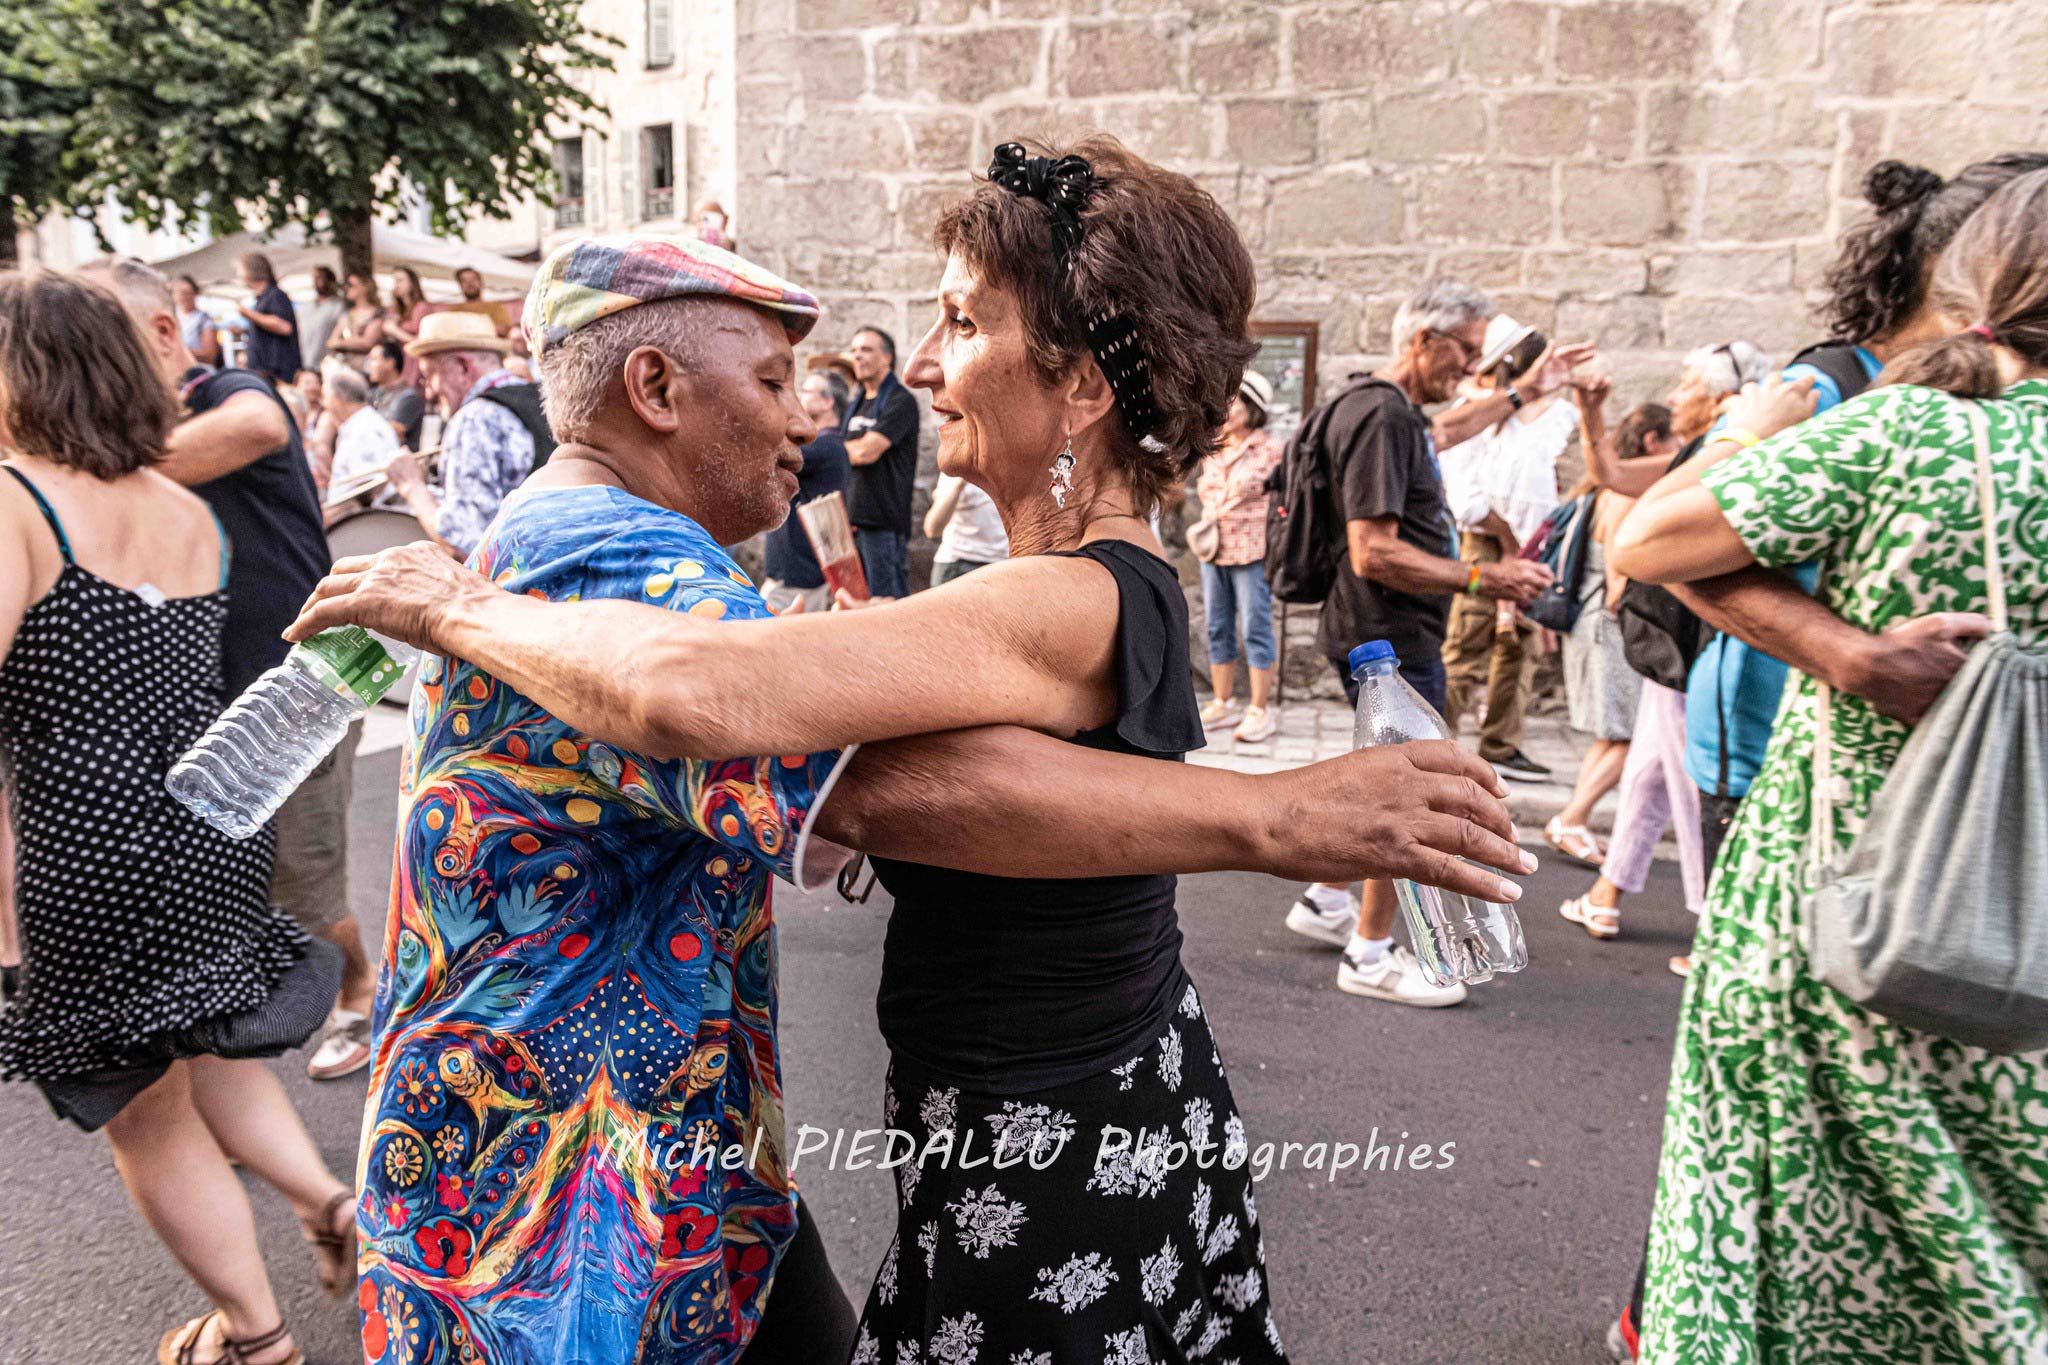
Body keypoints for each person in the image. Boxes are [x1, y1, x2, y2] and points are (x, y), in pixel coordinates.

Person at [287, 149, 1532, 1365]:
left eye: (960, 324)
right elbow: (862, 780)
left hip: (1037, 1144)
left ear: (1081, 387)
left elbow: (718, 703)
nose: (923, 367)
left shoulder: (1061, 595)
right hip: (1005, 1116)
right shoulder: (1072, 580)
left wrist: (446, 606)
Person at [1597, 152, 2045, 1365]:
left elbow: (1646, 538)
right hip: (2030, 932)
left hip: (1844, 913)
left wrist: (1841, 649)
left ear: (1973, 293)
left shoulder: (1912, 434)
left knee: (1782, 1234)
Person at [0, 268, 354, 1365]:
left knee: (146, 1115)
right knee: (214, 1061)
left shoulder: (18, 500)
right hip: (207, 835)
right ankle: (338, 1212)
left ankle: (253, 1336)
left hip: (81, 847)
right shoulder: (181, 511)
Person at [79, 257, 380, 1085]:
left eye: (102, 338)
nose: (87, 360)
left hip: (298, 686)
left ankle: (361, 987)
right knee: (215, 890)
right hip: (201, 702)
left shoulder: (225, 390)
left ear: (164, 333)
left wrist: (86, 474)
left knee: (302, 894)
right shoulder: (129, 440)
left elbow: (260, 427)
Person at [1285, 278, 1554, 1008]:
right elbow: (1375, 551)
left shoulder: (1385, 409)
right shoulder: (1382, 417)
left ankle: (1325, 899)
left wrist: (1522, 395)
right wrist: (1483, 577)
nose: (1469, 369)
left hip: (1375, 632)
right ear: (1423, 340)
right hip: (1389, 641)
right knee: (1410, 797)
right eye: (1463, 353)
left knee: (1378, 775)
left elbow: (1445, 432)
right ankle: (1368, 955)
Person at [1544, 341, 1767, 941]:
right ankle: (1604, 896)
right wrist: (1591, 410)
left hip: (1696, 648)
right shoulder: (1702, 451)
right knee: (1646, 774)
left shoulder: (1734, 452)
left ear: (1724, 397)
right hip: (1668, 645)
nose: (1673, 396)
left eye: (1687, 384)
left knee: (1692, 787)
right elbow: (1609, 476)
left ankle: (1713, 929)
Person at [1437, 316, 1581, 783]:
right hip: (1487, 540)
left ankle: (1500, 742)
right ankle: (1435, 743)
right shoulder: (1476, 416)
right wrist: (1507, 542)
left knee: (1518, 646)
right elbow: (1466, 500)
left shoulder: (1546, 418)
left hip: (1529, 542)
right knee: (1468, 642)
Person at [1543, 403, 1672, 875]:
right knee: (1630, 733)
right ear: (1654, 442)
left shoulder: (1606, 490)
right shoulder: (1627, 495)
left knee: (1613, 732)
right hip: (1610, 624)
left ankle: (1573, 818)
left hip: (1595, 621)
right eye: (1673, 441)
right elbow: (1620, 572)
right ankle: (1571, 818)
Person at [385, 311, 536, 556]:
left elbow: (466, 545)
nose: (431, 391)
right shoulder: (542, 399)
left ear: (463, 367)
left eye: (430, 375)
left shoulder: (474, 419)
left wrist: (411, 485)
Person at [1195, 369, 1284, 743]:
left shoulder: (1270, 448)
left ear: (1253, 408)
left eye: (1236, 402)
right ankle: (1222, 701)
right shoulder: (1213, 446)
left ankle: (1259, 710)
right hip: (1214, 550)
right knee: (1217, 625)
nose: (1227, 409)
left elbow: (1271, 494)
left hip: (1252, 549)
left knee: (1256, 627)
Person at [762, 367, 853, 613]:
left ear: (827, 401)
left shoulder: (828, 448)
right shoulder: (827, 447)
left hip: (799, 577)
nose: (799, 397)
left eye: (805, 390)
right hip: (792, 575)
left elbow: (770, 455)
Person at [843, 324, 921, 598]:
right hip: (852, 524)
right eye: (854, 351)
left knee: (887, 606)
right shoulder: (857, 403)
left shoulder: (900, 401)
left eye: (866, 349)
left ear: (887, 357)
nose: (857, 356)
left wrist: (840, 451)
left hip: (882, 526)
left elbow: (866, 452)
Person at [320, 366, 401, 523]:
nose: (323, 403)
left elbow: (370, 487)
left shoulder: (365, 430)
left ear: (337, 398)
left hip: (365, 526)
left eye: (325, 396)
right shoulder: (359, 425)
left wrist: (327, 516)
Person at [924, 469, 1010, 584]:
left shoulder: (1014, 467)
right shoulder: (957, 468)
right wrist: (959, 484)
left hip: (1002, 565)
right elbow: (932, 529)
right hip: (959, 565)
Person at [234, 253, 301, 386]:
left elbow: (284, 327)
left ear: (251, 271)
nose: (237, 275)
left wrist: (249, 314)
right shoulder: (262, 299)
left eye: (239, 270)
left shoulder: (276, 295)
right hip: (265, 373)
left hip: (277, 375)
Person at [366, 337, 425, 449]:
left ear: (390, 363)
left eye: (373, 360)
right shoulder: (371, 394)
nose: (368, 366)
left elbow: (393, 433)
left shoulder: (409, 397)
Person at [323, 271, 387, 371]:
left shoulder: (377, 314)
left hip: (368, 369)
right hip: (346, 368)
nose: (347, 288)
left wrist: (342, 343)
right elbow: (331, 342)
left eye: (351, 285)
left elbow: (368, 343)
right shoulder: (347, 314)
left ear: (365, 287)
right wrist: (354, 342)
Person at [296, 265, 345, 372]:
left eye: (320, 277)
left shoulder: (339, 306)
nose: (316, 281)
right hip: (302, 362)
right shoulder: (305, 306)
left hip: (324, 365)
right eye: (314, 278)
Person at [444, 265, 512, 336]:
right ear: (460, 285)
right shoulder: (455, 310)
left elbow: (503, 330)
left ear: (481, 283)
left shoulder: (495, 307)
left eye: (473, 279)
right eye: (464, 281)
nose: (469, 284)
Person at [173, 273, 221, 366]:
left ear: (195, 294)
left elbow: (209, 356)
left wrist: (179, 349)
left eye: (186, 293)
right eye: (178, 293)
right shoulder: (173, 318)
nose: (182, 297)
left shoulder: (204, 319)